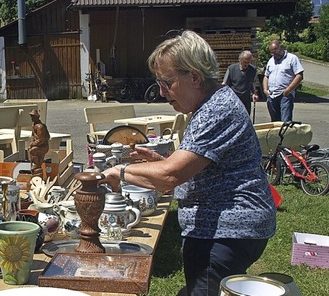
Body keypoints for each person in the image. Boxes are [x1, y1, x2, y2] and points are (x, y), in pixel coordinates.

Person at [101, 30, 276, 296]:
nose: (161, 92)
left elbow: (171, 176)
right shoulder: (211, 103)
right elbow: (198, 165)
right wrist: (163, 162)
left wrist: (119, 171)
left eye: (166, 82)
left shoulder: (216, 110)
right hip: (226, 227)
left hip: (227, 230)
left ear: (193, 77)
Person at [263, 40, 304, 122]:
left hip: (285, 95)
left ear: (281, 47)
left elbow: (299, 75)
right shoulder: (271, 61)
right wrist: (265, 89)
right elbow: (266, 76)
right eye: (272, 53)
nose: (274, 54)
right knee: (274, 123)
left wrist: (289, 89)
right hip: (272, 95)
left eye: (276, 51)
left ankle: (285, 135)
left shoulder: (292, 58)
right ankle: (276, 135)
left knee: (285, 122)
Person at [28, 109, 50, 178]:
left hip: (43, 146)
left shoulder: (40, 127)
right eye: (31, 116)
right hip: (38, 145)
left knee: (33, 150)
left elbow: (41, 140)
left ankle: (37, 165)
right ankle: (36, 165)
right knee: (31, 150)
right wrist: (32, 142)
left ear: (37, 117)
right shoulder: (34, 125)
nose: (32, 118)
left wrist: (33, 144)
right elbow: (33, 136)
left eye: (33, 116)